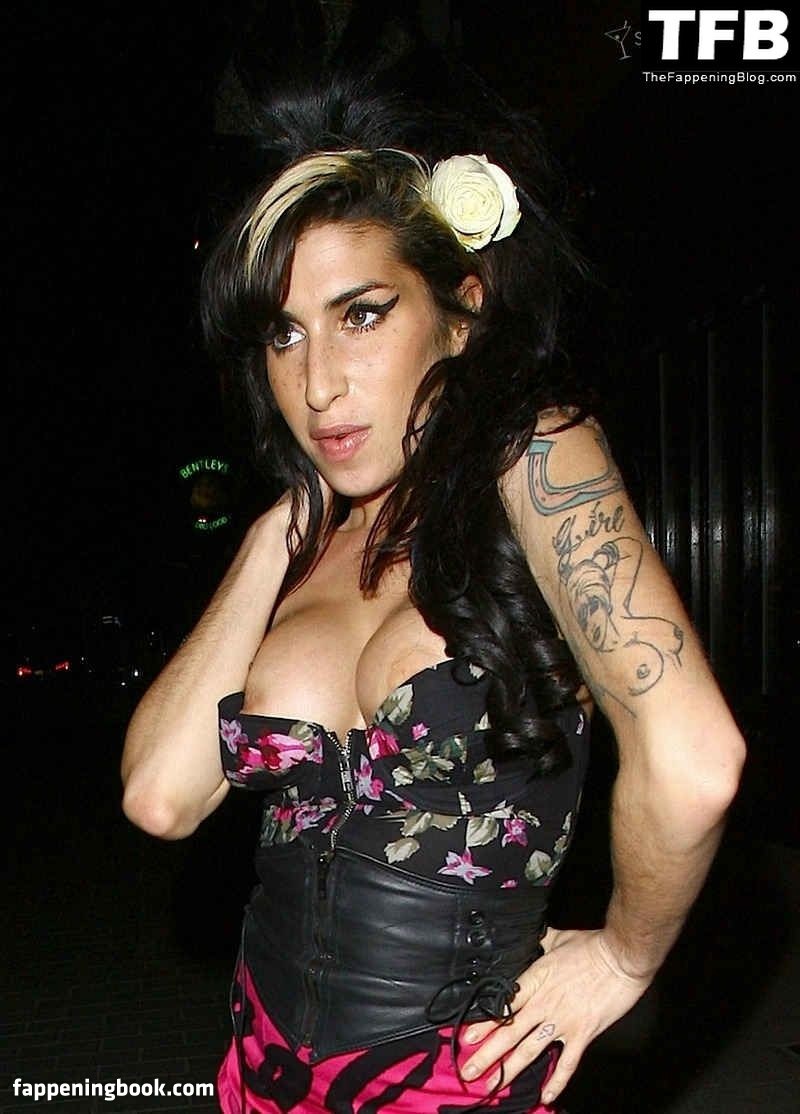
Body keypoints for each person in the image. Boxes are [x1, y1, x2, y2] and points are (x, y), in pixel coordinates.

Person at [121, 77, 745, 1114]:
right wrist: (274, 535)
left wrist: (625, 956)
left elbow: (696, 762)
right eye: (283, 335)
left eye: (361, 315)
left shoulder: (532, 455)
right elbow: (161, 796)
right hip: (259, 1070)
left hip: (454, 1086)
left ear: (462, 309)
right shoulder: (302, 540)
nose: (318, 382)